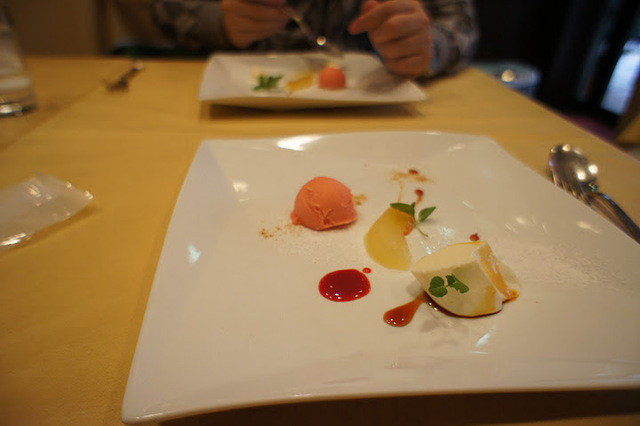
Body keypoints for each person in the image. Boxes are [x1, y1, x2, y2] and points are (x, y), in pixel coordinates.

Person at [151, 0, 478, 79]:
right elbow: (165, 8)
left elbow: (459, 21)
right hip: (237, 100)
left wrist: (427, 46)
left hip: (382, 103)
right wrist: (217, 21)